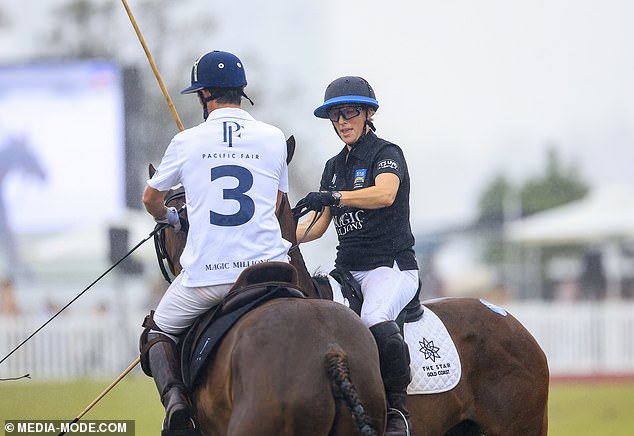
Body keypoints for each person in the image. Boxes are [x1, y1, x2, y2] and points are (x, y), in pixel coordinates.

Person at [141, 50, 291, 435]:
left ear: (205, 94)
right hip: (274, 273)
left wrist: (171, 217)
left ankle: (177, 408)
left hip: (211, 278)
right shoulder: (273, 137)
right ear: (240, 92)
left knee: (156, 329)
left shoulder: (186, 141)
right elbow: (276, 204)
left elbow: (151, 199)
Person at [295, 76, 419, 436]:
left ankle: (398, 410)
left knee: (374, 318)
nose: (343, 122)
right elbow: (316, 228)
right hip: (347, 271)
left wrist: (334, 197)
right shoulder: (334, 167)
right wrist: (277, 239)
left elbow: (384, 195)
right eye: (336, 116)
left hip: (391, 267)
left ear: (368, 113)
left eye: (350, 113)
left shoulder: (386, 154)